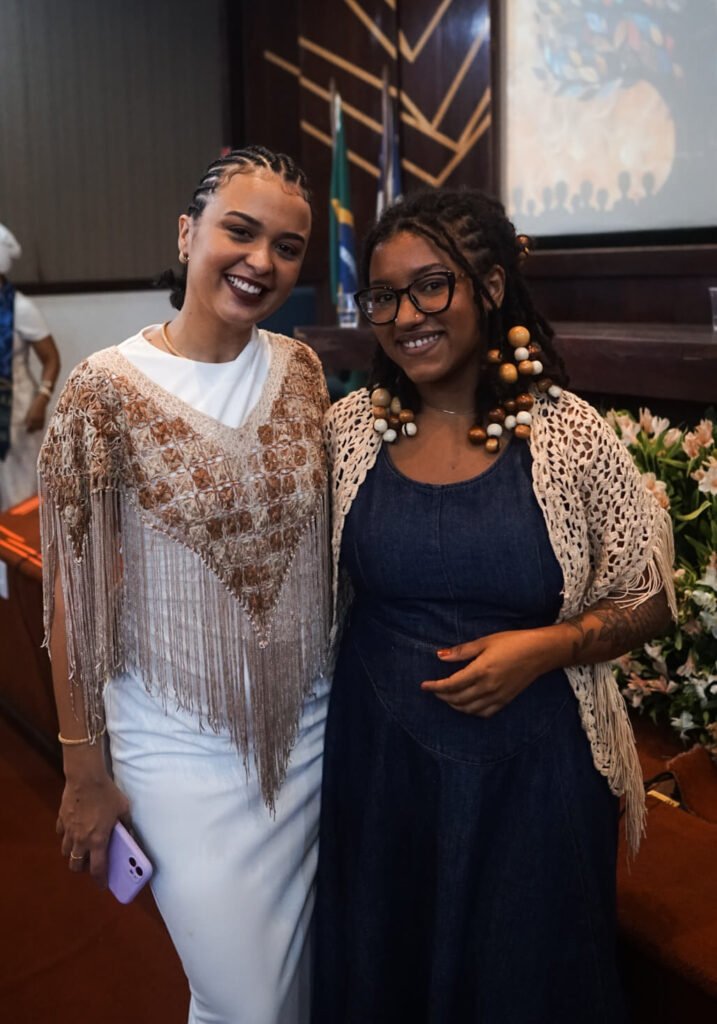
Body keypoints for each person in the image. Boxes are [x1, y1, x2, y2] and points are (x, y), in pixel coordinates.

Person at [312, 188, 676, 1023]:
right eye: (384, 296)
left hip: (534, 777)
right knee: (383, 972)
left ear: (489, 287)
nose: (407, 315)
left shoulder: (567, 435)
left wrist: (548, 647)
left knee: (523, 980)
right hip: (379, 772)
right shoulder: (346, 432)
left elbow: (650, 596)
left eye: (431, 285)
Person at [39, 146, 331, 1024]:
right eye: (239, 232)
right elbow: (71, 601)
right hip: (177, 738)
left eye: (286, 247)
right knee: (242, 995)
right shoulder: (103, 392)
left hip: (312, 731)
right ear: (186, 232)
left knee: (296, 988)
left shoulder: (303, 370)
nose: (260, 262)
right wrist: (84, 772)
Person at [0, 223, 60, 510]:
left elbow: (51, 358)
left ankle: (18, 553)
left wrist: (42, 398)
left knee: (20, 492)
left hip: (17, 412)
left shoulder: (21, 309)